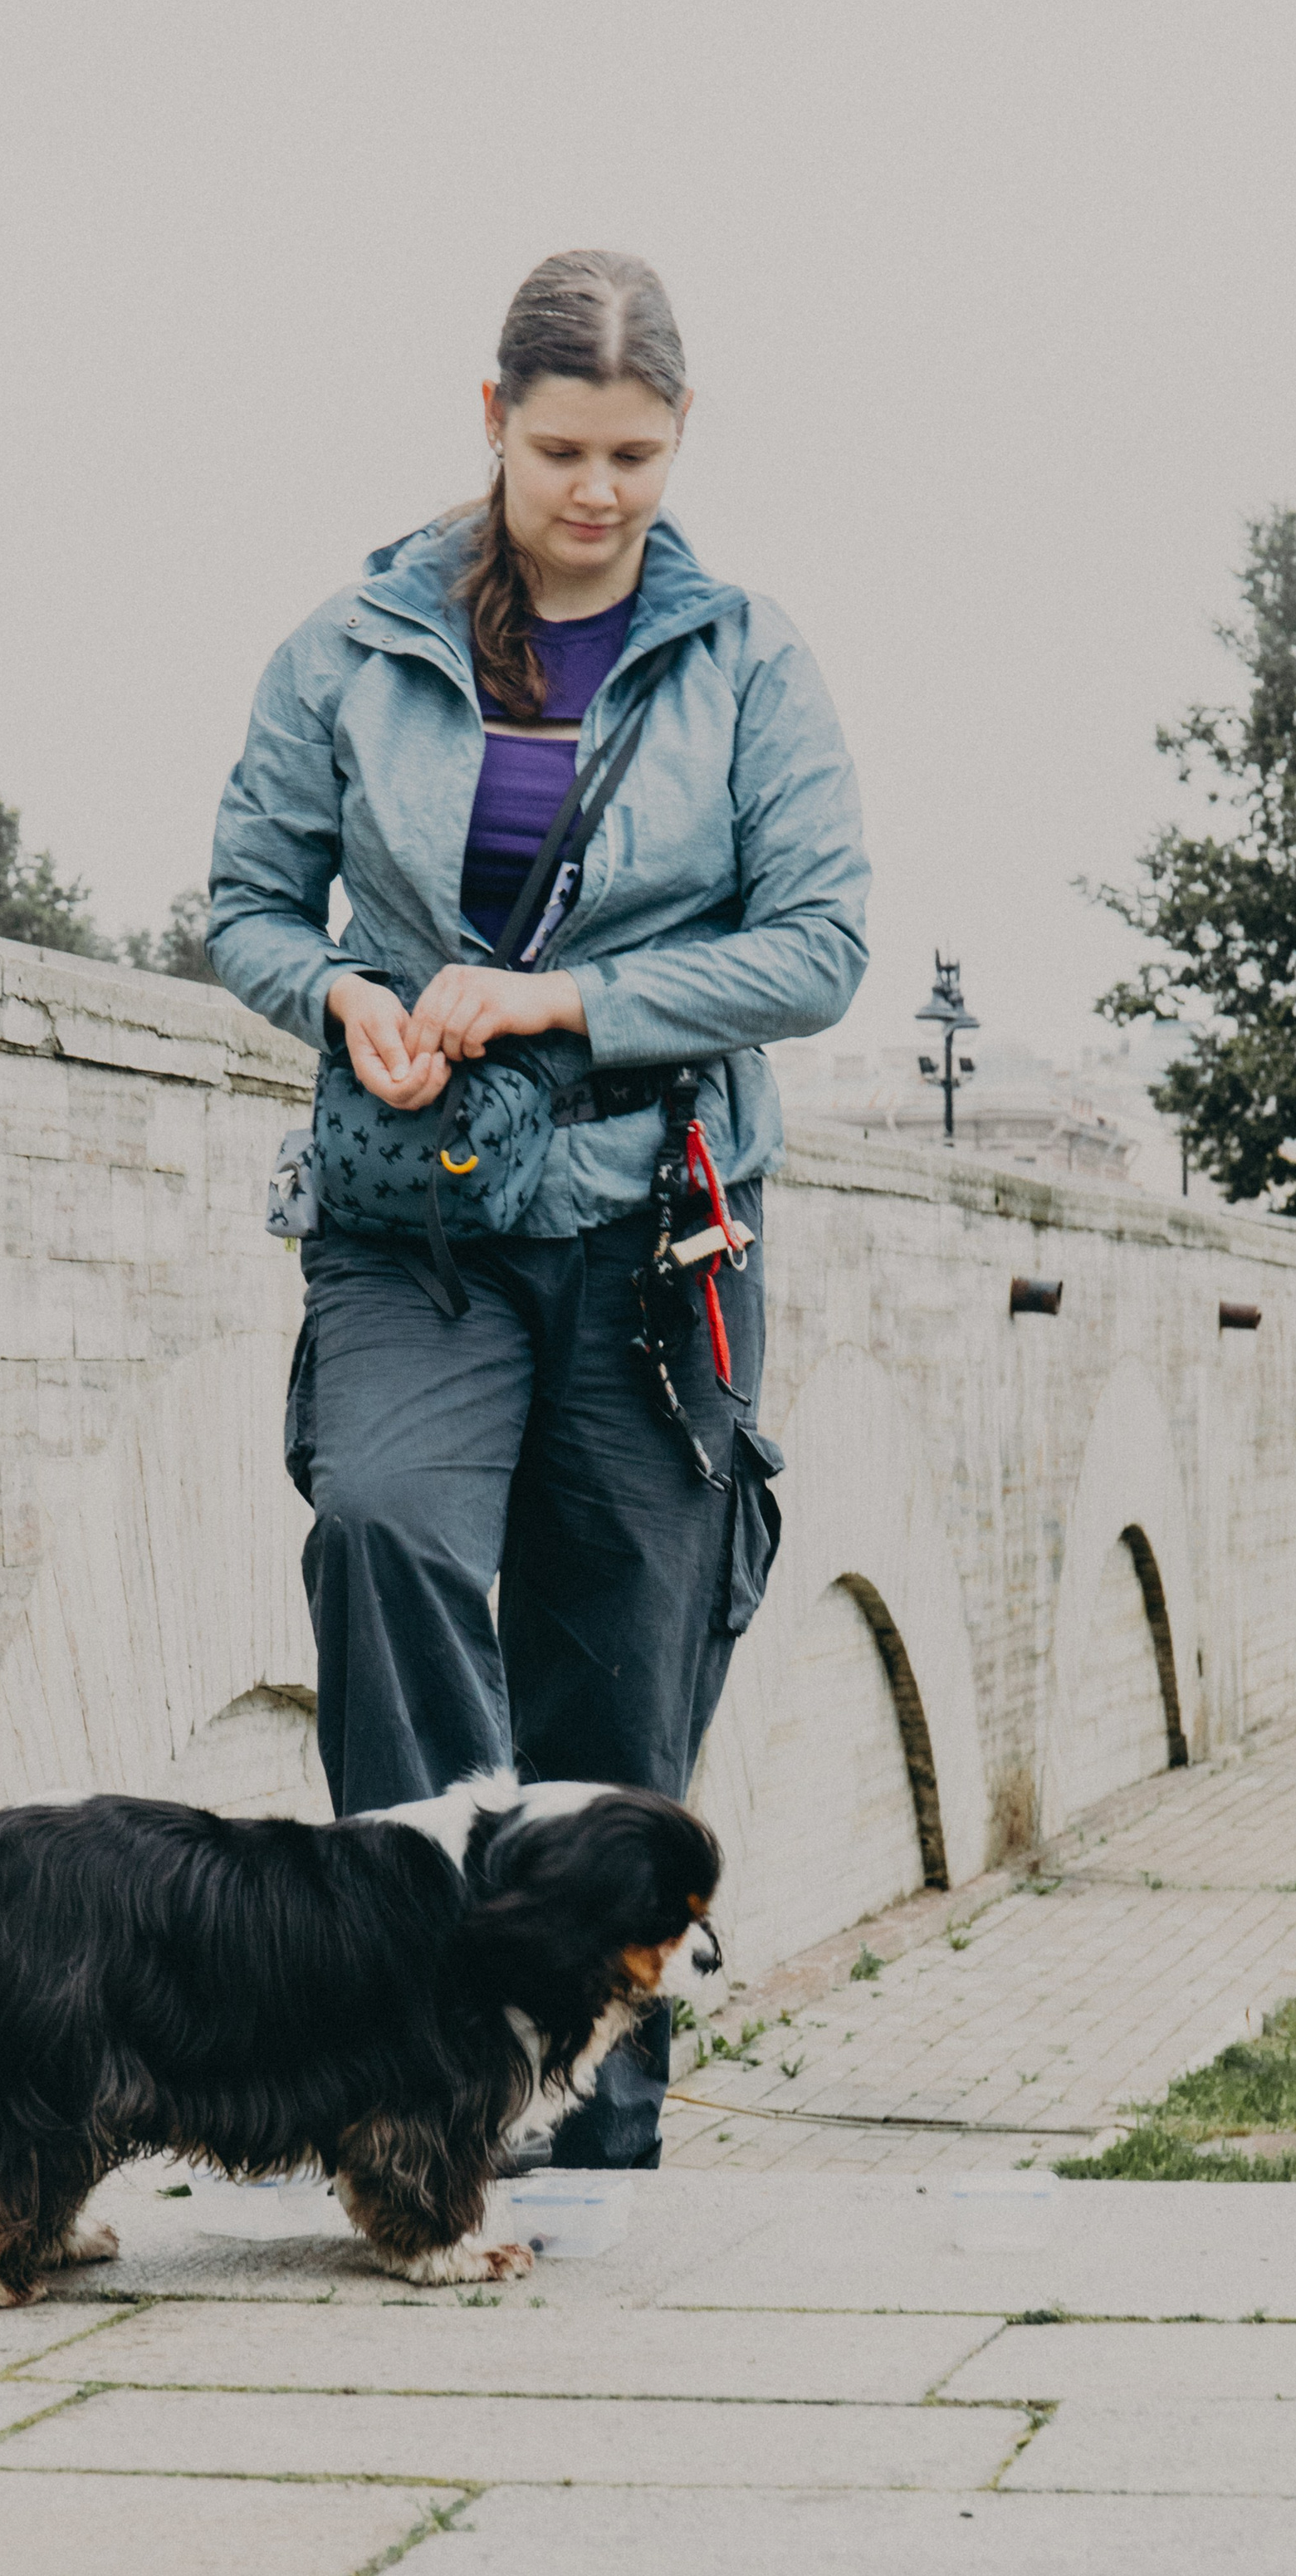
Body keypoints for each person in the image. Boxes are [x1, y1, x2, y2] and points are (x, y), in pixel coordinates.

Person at [207, 248, 868, 2167]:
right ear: (489, 421)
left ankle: (596, 2134)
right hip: (409, 1218)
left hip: (654, 1236)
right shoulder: (347, 644)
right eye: (563, 448)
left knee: (617, 1665)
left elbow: (817, 945)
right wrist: (338, 994)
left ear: (679, 445)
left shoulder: (745, 657)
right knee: (386, 1533)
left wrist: (563, 997)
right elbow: (246, 904)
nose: (597, 491)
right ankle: (409, 2083)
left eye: (636, 457)